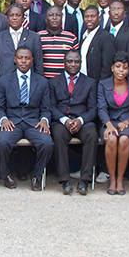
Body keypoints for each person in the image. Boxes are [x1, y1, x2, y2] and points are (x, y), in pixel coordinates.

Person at [0, 47, 53, 191]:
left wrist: (44, 120)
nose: (23, 61)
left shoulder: (42, 82)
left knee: (47, 143)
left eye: (27, 58)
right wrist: (3, 119)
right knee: (2, 143)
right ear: (15, 59)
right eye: (20, 58)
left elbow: (46, 108)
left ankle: (37, 176)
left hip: (34, 122)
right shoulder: (4, 81)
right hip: (12, 122)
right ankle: (6, 175)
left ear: (32, 60)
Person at [49, 50, 98, 195]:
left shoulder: (90, 82)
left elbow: (93, 109)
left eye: (76, 61)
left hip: (83, 121)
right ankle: (65, 180)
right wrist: (65, 120)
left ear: (81, 63)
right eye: (69, 61)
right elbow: (50, 106)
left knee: (92, 135)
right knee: (58, 135)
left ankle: (84, 180)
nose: (73, 64)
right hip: (61, 121)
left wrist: (80, 120)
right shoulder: (53, 82)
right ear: (64, 63)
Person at [97, 52, 129, 195]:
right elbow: (101, 108)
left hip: (128, 124)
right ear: (112, 68)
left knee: (123, 140)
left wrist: (127, 122)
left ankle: (120, 179)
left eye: (125, 67)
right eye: (118, 66)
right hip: (109, 122)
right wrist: (109, 125)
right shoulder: (103, 84)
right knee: (111, 139)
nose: (121, 70)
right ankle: (112, 179)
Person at [0, 4, 43, 77]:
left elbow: (38, 64)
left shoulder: (34, 37)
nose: (14, 18)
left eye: (18, 15)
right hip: (4, 81)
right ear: (7, 18)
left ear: (23, 18)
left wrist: (37, 82)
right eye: (11, 15)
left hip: (27, 81)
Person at [36, 6, 78, 79]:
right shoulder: (37, 37)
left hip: (64, 82)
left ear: (62, 18)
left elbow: (76, 62)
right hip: (43, 81)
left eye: (58, 15)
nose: (54, 18)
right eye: (51, 15)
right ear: (46, 19)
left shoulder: (71, 38)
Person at [104, 1, 129, 79]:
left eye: (119, 9)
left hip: (123, 79)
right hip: (105, 79)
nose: (116, 13)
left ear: (124, 13)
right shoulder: (104, 31)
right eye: (113, 9)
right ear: (109, 13)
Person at [77, 6, 114, 80]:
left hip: (97, 82)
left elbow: (107, 66)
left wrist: (101, 84)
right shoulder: (84, 36)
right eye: (86, 16)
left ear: (99, 18)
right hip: (83, 81)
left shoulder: (106, 37)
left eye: (92, 16)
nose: (89, 19)